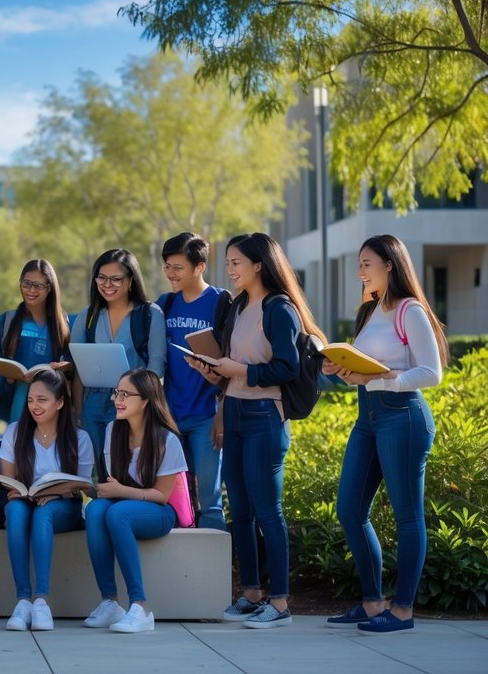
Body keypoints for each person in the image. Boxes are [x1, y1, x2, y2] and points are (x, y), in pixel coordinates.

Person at [188, 232, 325, 628]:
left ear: (259, 264)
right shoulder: (236, 306)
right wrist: (212, 369)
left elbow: (288, 367)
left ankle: (280, 603)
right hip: (234, 410)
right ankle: (250, 595)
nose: (229, 270)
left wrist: (240, 371)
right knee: (241, 512)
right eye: (228, 263)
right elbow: (232, 366)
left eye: (236, 263)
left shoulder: (280, 309)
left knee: (268, 511)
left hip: (266, 415)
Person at [324, 235, 446, 634]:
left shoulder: (410, 310)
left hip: (403, 419)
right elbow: (365, 371)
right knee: (349, 510)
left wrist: (380, 380)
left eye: (366, 263)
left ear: (390, 264)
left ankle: (404, 610)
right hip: (369, 419)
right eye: (359, 265)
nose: (360, 272)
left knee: (407, 515)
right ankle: (374, 601)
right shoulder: (369, 311)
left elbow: (431, 372)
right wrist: (339, 370)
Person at [83, 370, 188, 634]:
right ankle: (110, 602)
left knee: (118, 514)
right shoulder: (112, 430)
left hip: (159, 512)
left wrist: (121, 490)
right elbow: (115, 484)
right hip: (124, 503)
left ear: (146, 401)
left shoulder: (167, 440)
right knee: (95, 510)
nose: (117, 399)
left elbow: (161, 496)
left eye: (125, 394)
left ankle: (140, 606)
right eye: (116, 393)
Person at [0, 369, 92, 631]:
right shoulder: (16, 432)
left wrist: (53, 492)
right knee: (15, 511)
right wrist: (20, 490)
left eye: (42, 400)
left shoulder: (79, 438)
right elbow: (9, 479)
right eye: (30, 400)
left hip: (64, 505)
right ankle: (23, 601)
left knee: (44, 513)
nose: (34, 406)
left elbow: (81, 485)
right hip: (26, 500)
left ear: (60, 402)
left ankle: (41, 600)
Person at [157, 233, 231, 531]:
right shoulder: (166, 303)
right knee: (178, 496)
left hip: (206, 417)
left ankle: (215, 570)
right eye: (167, 266)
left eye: (177, 268)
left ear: (199, 267)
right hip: (172, 417)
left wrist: (221, 417)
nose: (170, 274)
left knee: (210, 498)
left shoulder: (221, 301)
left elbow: (231, 363)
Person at [70, 249, 166, 478]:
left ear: (131, 280)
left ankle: (123, 511)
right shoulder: (88, 315)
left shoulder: (150, 314)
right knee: (99, 472)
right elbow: (78, 367)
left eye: (116, 278)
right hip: (93, 402)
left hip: (131, 404)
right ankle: (102, 510)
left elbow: (157, 363)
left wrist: (143, 405)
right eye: (101, 278)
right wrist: (78, 411)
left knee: (127, 469)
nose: (107, 284)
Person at [0, 260, 73, 427]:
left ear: (50, 287)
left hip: (51, 401)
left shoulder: (64, 323)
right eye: (26, 284)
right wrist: (11, 375)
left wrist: (62, 367)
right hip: (15, 398)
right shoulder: (5, 322)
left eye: (39, 285)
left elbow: (72, 361)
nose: (31, 290)